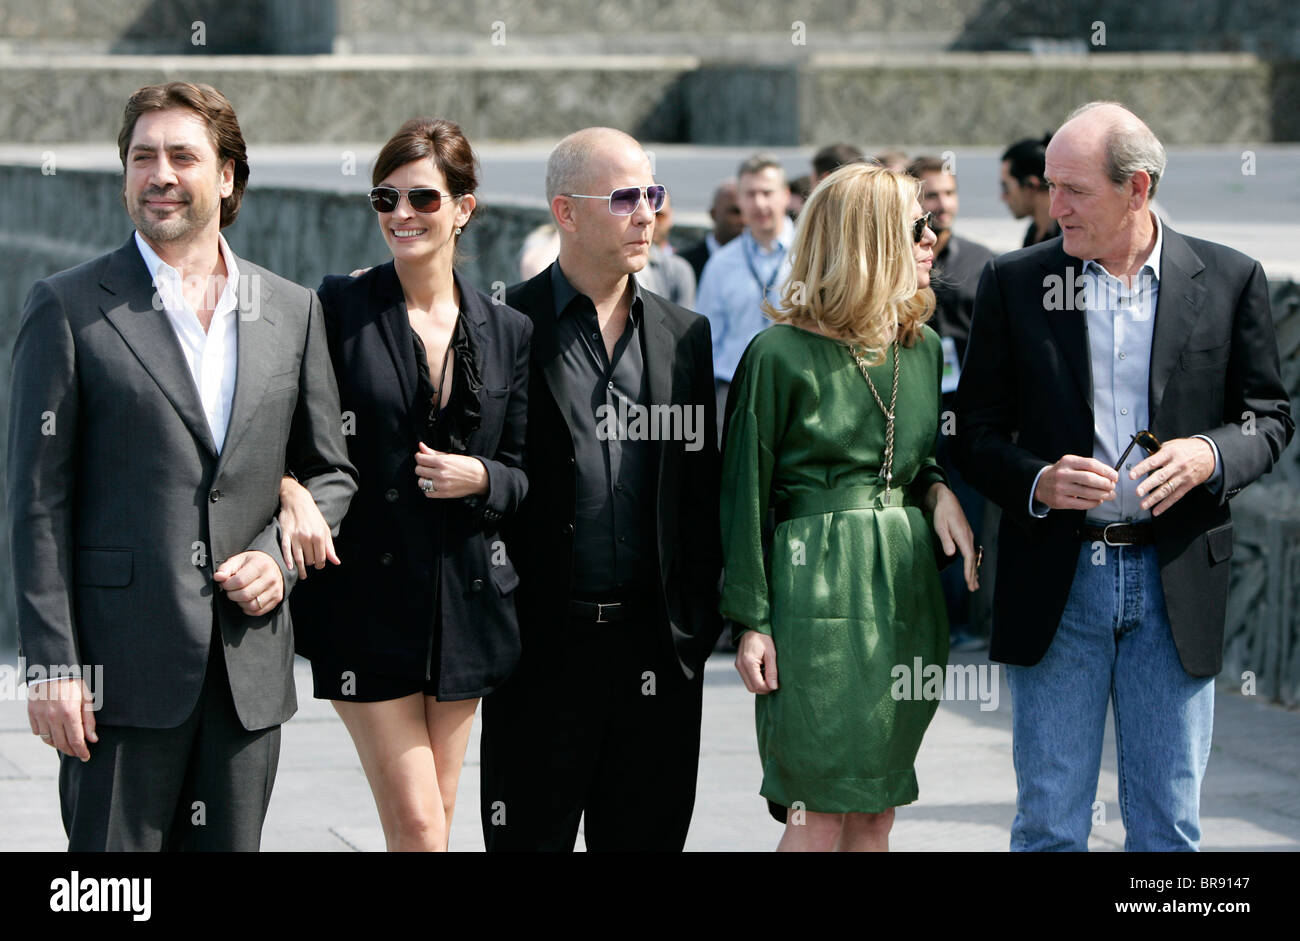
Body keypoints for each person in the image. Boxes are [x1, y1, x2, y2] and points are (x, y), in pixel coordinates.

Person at [9, 81, 357, 851]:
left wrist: (280, 558)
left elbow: (331, 470)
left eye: (182, 155)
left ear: (228, 175)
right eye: (142, 156)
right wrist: (51, 667)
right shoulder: (66, 307)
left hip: (247, 676)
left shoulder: (292, 309)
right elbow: (36, 502)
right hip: (118, 680)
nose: (159, 173)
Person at [953, 101, 1293, 851]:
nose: (1056, 205)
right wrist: (1037, 481)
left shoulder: (1232, 280)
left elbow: (1268, 419)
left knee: (1168, 826)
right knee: (1048, 823)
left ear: (1137, 189)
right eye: (1050, 185)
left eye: (1074, 189)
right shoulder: (1014, 284)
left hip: (1175, 578)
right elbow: (970, 433)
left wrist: (1209, 454)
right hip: (1058, 577)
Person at [277, 117, 532, 852]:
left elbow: (525, 476)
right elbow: (281, 434)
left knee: (430, 823)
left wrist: (482, 476)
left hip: (466, 605)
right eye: (385, 199)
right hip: (363, 601)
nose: (402, 215)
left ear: (464, 208)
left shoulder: (507, 329)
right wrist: (293, 493)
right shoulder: (336, 307)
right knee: (422, 824)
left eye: (422, 198)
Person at [723, 163, 979, 852]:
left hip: (904, 592)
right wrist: (752, 621)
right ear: (871, 242)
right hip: (814, 598)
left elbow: (917, 460)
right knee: (817, 812)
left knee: (876, 812)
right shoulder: (777, 354)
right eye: (917, 227)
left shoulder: (921, 349)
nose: (935, 236)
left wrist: (938, 490)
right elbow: (743, 495)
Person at [479, 127, 722, 852]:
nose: (646, 213)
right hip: (542, 653)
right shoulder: (504, 326)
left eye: (652, 194)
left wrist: (697, 624)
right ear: (566, 210)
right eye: (624, 198)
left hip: (657, 653)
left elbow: (700, 487)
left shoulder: (686, 334)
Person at [906, 155, 996, 648]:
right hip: (907, 403)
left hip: (962, 407)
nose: (941, 206)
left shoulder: (981, 262)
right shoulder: (899, 258)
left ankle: (962, 619)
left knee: (966, 509)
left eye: (948, 194)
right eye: (931, 197)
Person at [696, 153, 794, 432]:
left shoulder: (810, 255)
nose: (760, 203)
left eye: (767, 192)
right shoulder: (721, 263)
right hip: (733, 390)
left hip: (796, 387)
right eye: (750, 194)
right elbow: (707, 338)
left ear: (785, 195)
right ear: (739, 199)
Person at [638, 188, 697, 306]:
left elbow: (683, 321)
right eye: (647, 213)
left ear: (671, 217)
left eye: (659, 215)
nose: (651, 220)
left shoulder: (679, 269)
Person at [1001, 134, 1060, 246]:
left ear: (1030, 186)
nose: (1002, 197)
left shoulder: (1069, 237)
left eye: (1006, 187)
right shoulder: (1033, 233)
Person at [679, 180, 743, 283]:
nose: (744, 220)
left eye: (748, 212)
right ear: (713, 214)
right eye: (735, 212)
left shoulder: (758, 262)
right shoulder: (685, 264)